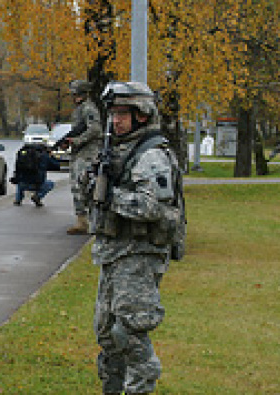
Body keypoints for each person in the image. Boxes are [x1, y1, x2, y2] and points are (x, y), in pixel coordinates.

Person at [88, 81, 182, 395]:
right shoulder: (117, 149)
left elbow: (151, 206)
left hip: (140, 254)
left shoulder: (151, 155)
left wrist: (109, 196)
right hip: (114, 253)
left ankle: (141, 385)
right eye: (112, 113)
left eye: (122, 114)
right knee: (106, 333)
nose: (115, 120)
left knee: (129, 331)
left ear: (141, 115)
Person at [63, 79, 103, 234]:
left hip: (87, 153)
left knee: (84, 186)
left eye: (76, 93)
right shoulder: (81, 109)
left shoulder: (88, 108)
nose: (74, 97)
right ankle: (82, 221)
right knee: (77, 186)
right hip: (80, 153)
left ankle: (88, 222)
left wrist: (77, 140)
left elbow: (95, 129)